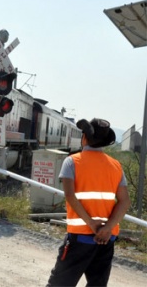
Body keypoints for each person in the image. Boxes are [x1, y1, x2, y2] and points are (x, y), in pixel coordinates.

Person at [47, 118, 131, 287]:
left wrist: (92, 225)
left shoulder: (72, 161)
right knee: (97, 284)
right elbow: (125, 201)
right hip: (106, 238)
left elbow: (70, 196)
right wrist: (106, 229)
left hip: (80, 236)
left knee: (59, 284)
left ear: (84, 138)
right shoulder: (116, 166)